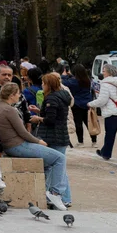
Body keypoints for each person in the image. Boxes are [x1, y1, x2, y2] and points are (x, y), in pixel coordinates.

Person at [0, 82, 69, 210]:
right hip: (18, 145)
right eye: (18, 93)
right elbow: (22, 132)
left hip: (10, 145)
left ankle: (46, 194)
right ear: (12, 95)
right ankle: (55, 193)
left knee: (49, 164)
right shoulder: (9, 110)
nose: (19, 96)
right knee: (59, 158)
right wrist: (38, 142)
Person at [32, 73, 73, 206]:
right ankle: (62, 198)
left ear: (48, 85)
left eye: (44, 83)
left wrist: (38, 118)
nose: (42, 86)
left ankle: (62, 198)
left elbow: (51, 119)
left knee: (57, 167)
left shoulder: (51, 98)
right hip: (61, 135)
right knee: (60, 168)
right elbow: (56, 114)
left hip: (53, 136)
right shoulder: (62, 96)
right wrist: (40, 111)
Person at [88, 63, 117, 163]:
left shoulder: (105, 84)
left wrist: (90, 104)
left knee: (110, 135)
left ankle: (106, 154)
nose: (102, 73)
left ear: (109, 72)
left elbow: (102, 100)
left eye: (104, 70)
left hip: (112, 114)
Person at [63, 64, 96, 147]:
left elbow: (64, 83)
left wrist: (64, 75)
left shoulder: (73, 81)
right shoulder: (88, 80)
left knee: (78, 123)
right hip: (87, 103)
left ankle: (81, 142)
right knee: (89, 122)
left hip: (77, 105)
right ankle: (94, 141)